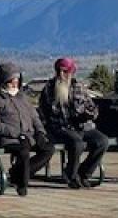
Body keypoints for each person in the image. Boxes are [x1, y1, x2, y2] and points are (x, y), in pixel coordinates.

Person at [0, 62, 53, 196]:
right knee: (23, 151)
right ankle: (22, 183)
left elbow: (34, 117)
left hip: (28, 135)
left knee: (48, 149)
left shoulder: (22, 97)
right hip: (7, 138)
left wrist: (40, 132)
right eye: (11, 81)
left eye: (16, 81)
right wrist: (16, 133)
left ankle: (16, 173)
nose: (14, 84)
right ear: (3, 81)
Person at [38, 57, 109, 189]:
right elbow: (43, 112)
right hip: (60, 127)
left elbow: (93, 108)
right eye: (59, 71)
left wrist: (88, 114)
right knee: (77, 143)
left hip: (82, 126)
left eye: (65, 71)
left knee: (102, 141)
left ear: (71, 73)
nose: (61, 74)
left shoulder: (79, 87)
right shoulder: (49, 88)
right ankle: (71, 175)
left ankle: (84, 173)